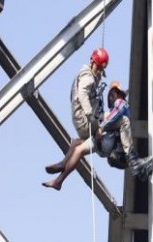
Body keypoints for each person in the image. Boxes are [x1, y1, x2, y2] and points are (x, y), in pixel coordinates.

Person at [42, 81, 153, 190]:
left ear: (117, 94)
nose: (111, 96)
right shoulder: (113, 111)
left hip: (109, 142)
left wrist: (101, 127)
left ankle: (133, 160)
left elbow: (119, 111)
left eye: (112, 94)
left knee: (80, 149)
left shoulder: (121, 104)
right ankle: (62, 170)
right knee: (76, 144)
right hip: (105, 143)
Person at [44, 47, 109, 175]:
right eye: (98, 69)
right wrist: (90, 114)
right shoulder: (88, 78)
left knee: (78, 143)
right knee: (111, 118)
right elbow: (82, 94)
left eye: (101, 69)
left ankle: (63, 164)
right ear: (92, 63)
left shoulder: (84, 73)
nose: (99, 72)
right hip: (85, 120)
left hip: (78, 119)